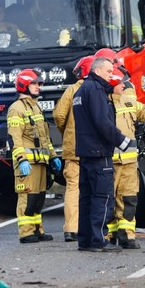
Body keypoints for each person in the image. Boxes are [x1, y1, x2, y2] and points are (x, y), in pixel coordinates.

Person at [101, 51, 145, 250]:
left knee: (129, 198)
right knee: (109, 199)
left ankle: (127, 235)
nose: (125, 84)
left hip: (128, 160)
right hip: (109, 159)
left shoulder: (128, 100)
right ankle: (109, 235)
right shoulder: (102, 101)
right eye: (121, 81)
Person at [72, 57, 134, 252]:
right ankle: (99, 240)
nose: (111, 75)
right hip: (99, 153)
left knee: (87, 198)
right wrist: (123, 141)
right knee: (102, 197)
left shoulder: (81, 90)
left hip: (85, 153)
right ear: (97, 71)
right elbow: (102, 122)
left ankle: (86, 240)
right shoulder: (96, 90)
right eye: (108, 72)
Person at [7, 69, 62, 244]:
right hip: (27, 163)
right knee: (27, 197)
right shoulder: (16, 109)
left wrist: (53, 156)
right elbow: (14, 138)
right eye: (35, 83)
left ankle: (37, 230)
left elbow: (45, 137)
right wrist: (21, 160)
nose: (39, 86)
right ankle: (26, 232)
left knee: (38, 198)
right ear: (24, 85)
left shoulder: (36, 106)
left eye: (40, 84)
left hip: (41, 162)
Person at [53, 55, 95, 242]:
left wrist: (68, 132)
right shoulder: (97, 89)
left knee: (73, 188)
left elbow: (59, 116)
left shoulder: (71, 90)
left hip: (73, 148)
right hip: (94, 149)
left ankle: (71, 229)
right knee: (96, 188)